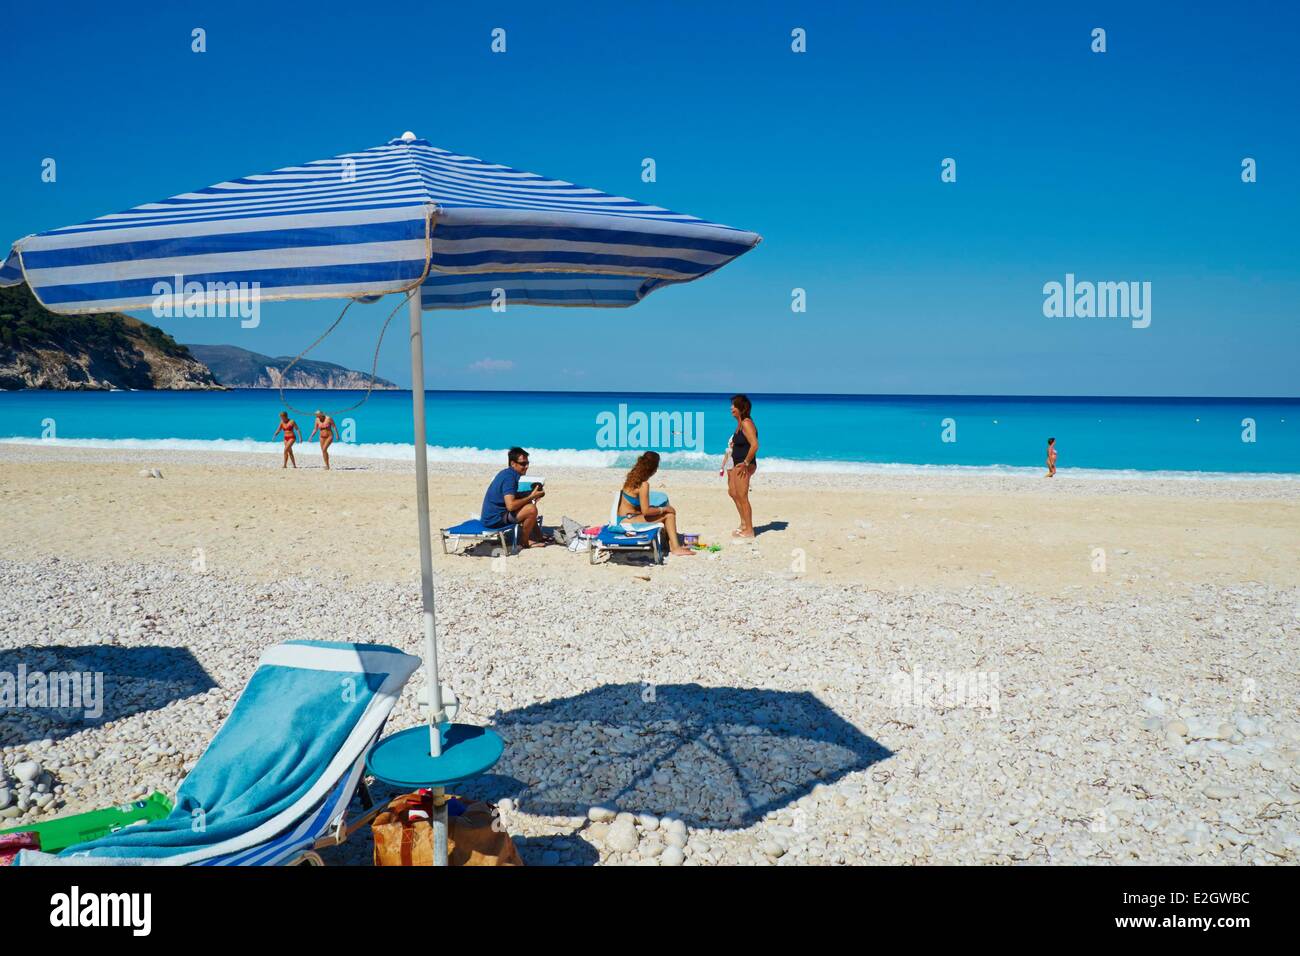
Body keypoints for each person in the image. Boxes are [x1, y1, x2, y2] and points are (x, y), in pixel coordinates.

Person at [617, 451, 692, 557]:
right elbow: (646, 512)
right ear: (653, 469)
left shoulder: (631, 479)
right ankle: (675, 548)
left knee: (662, 510)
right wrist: (663, 509)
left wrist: (658, 509)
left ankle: (671, 541)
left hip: (624, 517)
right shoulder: (643, 484)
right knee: (669, 515)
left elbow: (638, 507)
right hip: (627, 522)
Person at [481, 447, 548, 548]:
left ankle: (539, 536)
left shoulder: (507, 473)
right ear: (513, 463)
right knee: (531, 509)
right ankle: (524, 542)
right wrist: (531, 496)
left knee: (528, 505)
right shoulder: (509, 479)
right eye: (523, 464)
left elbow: (511, 495)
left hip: (492, 516)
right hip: (495, 520)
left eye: (527, 463)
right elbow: (511, 506)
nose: (526, 466)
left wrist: (531, 493)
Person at [726, 394, 759, 537]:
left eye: (734, 405)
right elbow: (743, 442)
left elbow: (755, 445)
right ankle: (744, 523)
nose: (731, 408)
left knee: (742, 496)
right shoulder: (739, 424)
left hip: (744, 464)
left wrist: (745, 463)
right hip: (736, 463)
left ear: (741, 408)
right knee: (733, 492)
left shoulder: (746, 422)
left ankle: (749, 530)